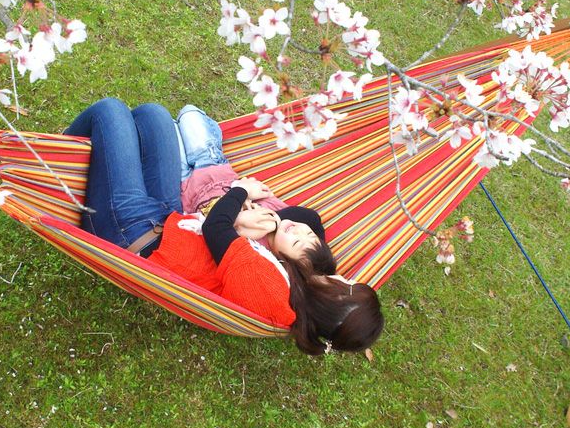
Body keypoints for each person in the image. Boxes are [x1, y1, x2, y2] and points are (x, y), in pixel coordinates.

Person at [64, 98, 384, 355]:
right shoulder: (295, 287)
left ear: (332, 302)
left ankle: (53, 161)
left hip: (133, 233)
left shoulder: (272, 291)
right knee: (153, 116)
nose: (342, 276)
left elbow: (216, 230)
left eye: (346, 285)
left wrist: (240, 191)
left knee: (111, 111)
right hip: (169, 222)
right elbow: (307, 223)